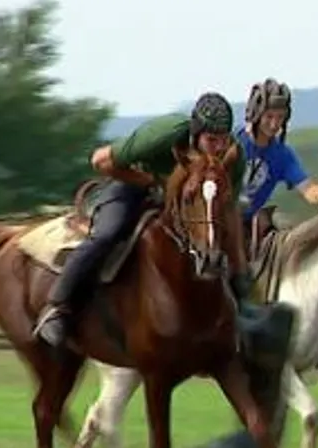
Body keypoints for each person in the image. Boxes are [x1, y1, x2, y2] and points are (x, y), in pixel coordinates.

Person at [33, 92, 247, 348]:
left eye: (224, 140)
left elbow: (228, 210)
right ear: (195, 132)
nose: (219, 147)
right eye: (212, 140)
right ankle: (56, 308)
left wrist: (239, 272)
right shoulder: (167, 134)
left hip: (192, 204)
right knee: (107, 234)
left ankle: (239, 319)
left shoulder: (234, 157)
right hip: (134, 187)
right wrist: (151, 182)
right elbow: (100, 161)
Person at [236, 78, 318, 253]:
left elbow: (306, 186)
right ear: (256, 114)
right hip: (217, 219)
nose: (274, 124)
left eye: (280, 117)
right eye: (269, 117)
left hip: (250, 226)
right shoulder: (234, 142)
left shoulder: (283, 155)